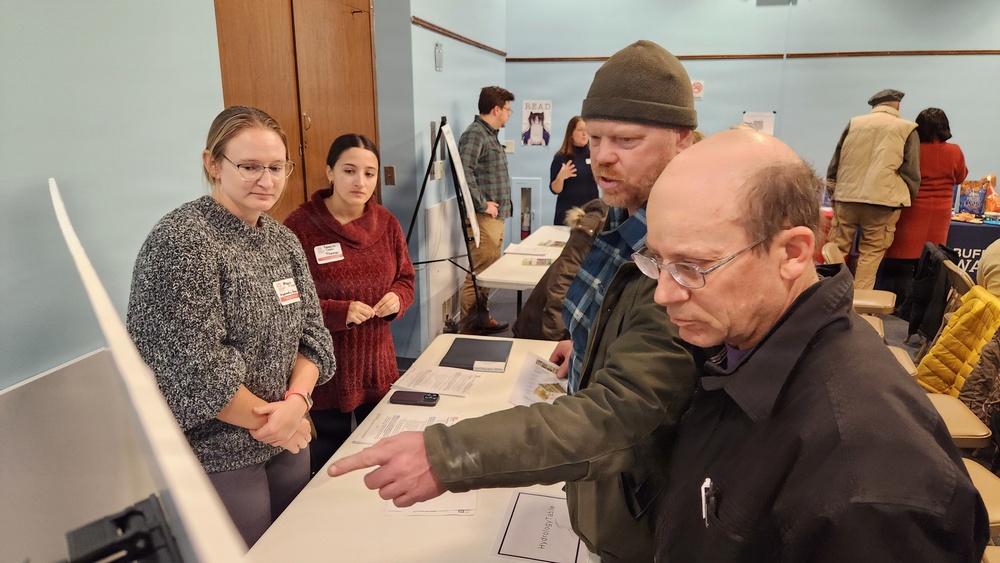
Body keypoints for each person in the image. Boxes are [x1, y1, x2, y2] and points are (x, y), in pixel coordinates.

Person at [328, 40, 700, 562]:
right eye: (594, 137)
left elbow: (622, 409)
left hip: (641, 504)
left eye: (627, 139)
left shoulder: (684, 247)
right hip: (606, 491)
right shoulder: (623, 210)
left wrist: (447, 456)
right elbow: (620, 311)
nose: (602, 155)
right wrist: (590, 343)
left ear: (682, 140)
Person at [639, 128, 988, 561]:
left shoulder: (869, 489)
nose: (663, 293)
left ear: (792, 253)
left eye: (692, 266)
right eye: (656, 260)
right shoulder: (737, 344)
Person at [126, 105, 337, 547]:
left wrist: (297, 401)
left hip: (288, 437)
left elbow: (312, 333)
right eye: (249, 166)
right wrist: (280, 420)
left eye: (277, 167)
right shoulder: (182, 241)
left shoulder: (281, 239)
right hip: (218, 453)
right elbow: (194, 369)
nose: (267, 180)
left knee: (298, 547)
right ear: (212, 164)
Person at [284, 134, 415, 475]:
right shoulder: (298, 227)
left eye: (369, 173)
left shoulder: (387, 224)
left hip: (377, 362)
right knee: (327, 466)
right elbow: (285, 300)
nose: (360, 182)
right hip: (323, 369)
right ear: (329, 172)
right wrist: (337, 312)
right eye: (349, 170)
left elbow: (406, 279)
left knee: (380, 460)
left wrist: (397, 298)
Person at [827, 88, 920, 290]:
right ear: (897, 106)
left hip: (847, 197)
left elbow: (835, 163)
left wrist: (834, 193)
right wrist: (906, 198)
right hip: (883, 201)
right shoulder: (907, 128)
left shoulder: (854, 123)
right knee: (871, 254)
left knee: (835, 249)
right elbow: (911, 171)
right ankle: (860, 307)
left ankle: (827, 295)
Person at [882, 107, 968, 312]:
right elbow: (960, 177)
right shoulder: (954, 151)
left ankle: (902, 307)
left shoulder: (912, 150)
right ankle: (923, 309)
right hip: (940, 212)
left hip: (912, 211)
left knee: (904, 260)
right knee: (931, 262)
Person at [458, 85, 515, 335]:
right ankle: (469, 329)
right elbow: (464, 172)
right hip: (483, 217)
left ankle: (483, 319)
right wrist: (483, 204)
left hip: (495, 217)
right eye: (508, 109)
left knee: (487, 272)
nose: (509, 114)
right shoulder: (475, 135)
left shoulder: (489, 134)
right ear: (496, 109)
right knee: (478, 274)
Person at [549, 115, 599, 225]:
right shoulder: (561, 157)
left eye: (586, 130)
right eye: (580, 130)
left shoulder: (594, 155)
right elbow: (554, 189)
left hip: (591, 213)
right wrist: (561, 177)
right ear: (571, 133)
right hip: (568, 214)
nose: (584, 133)